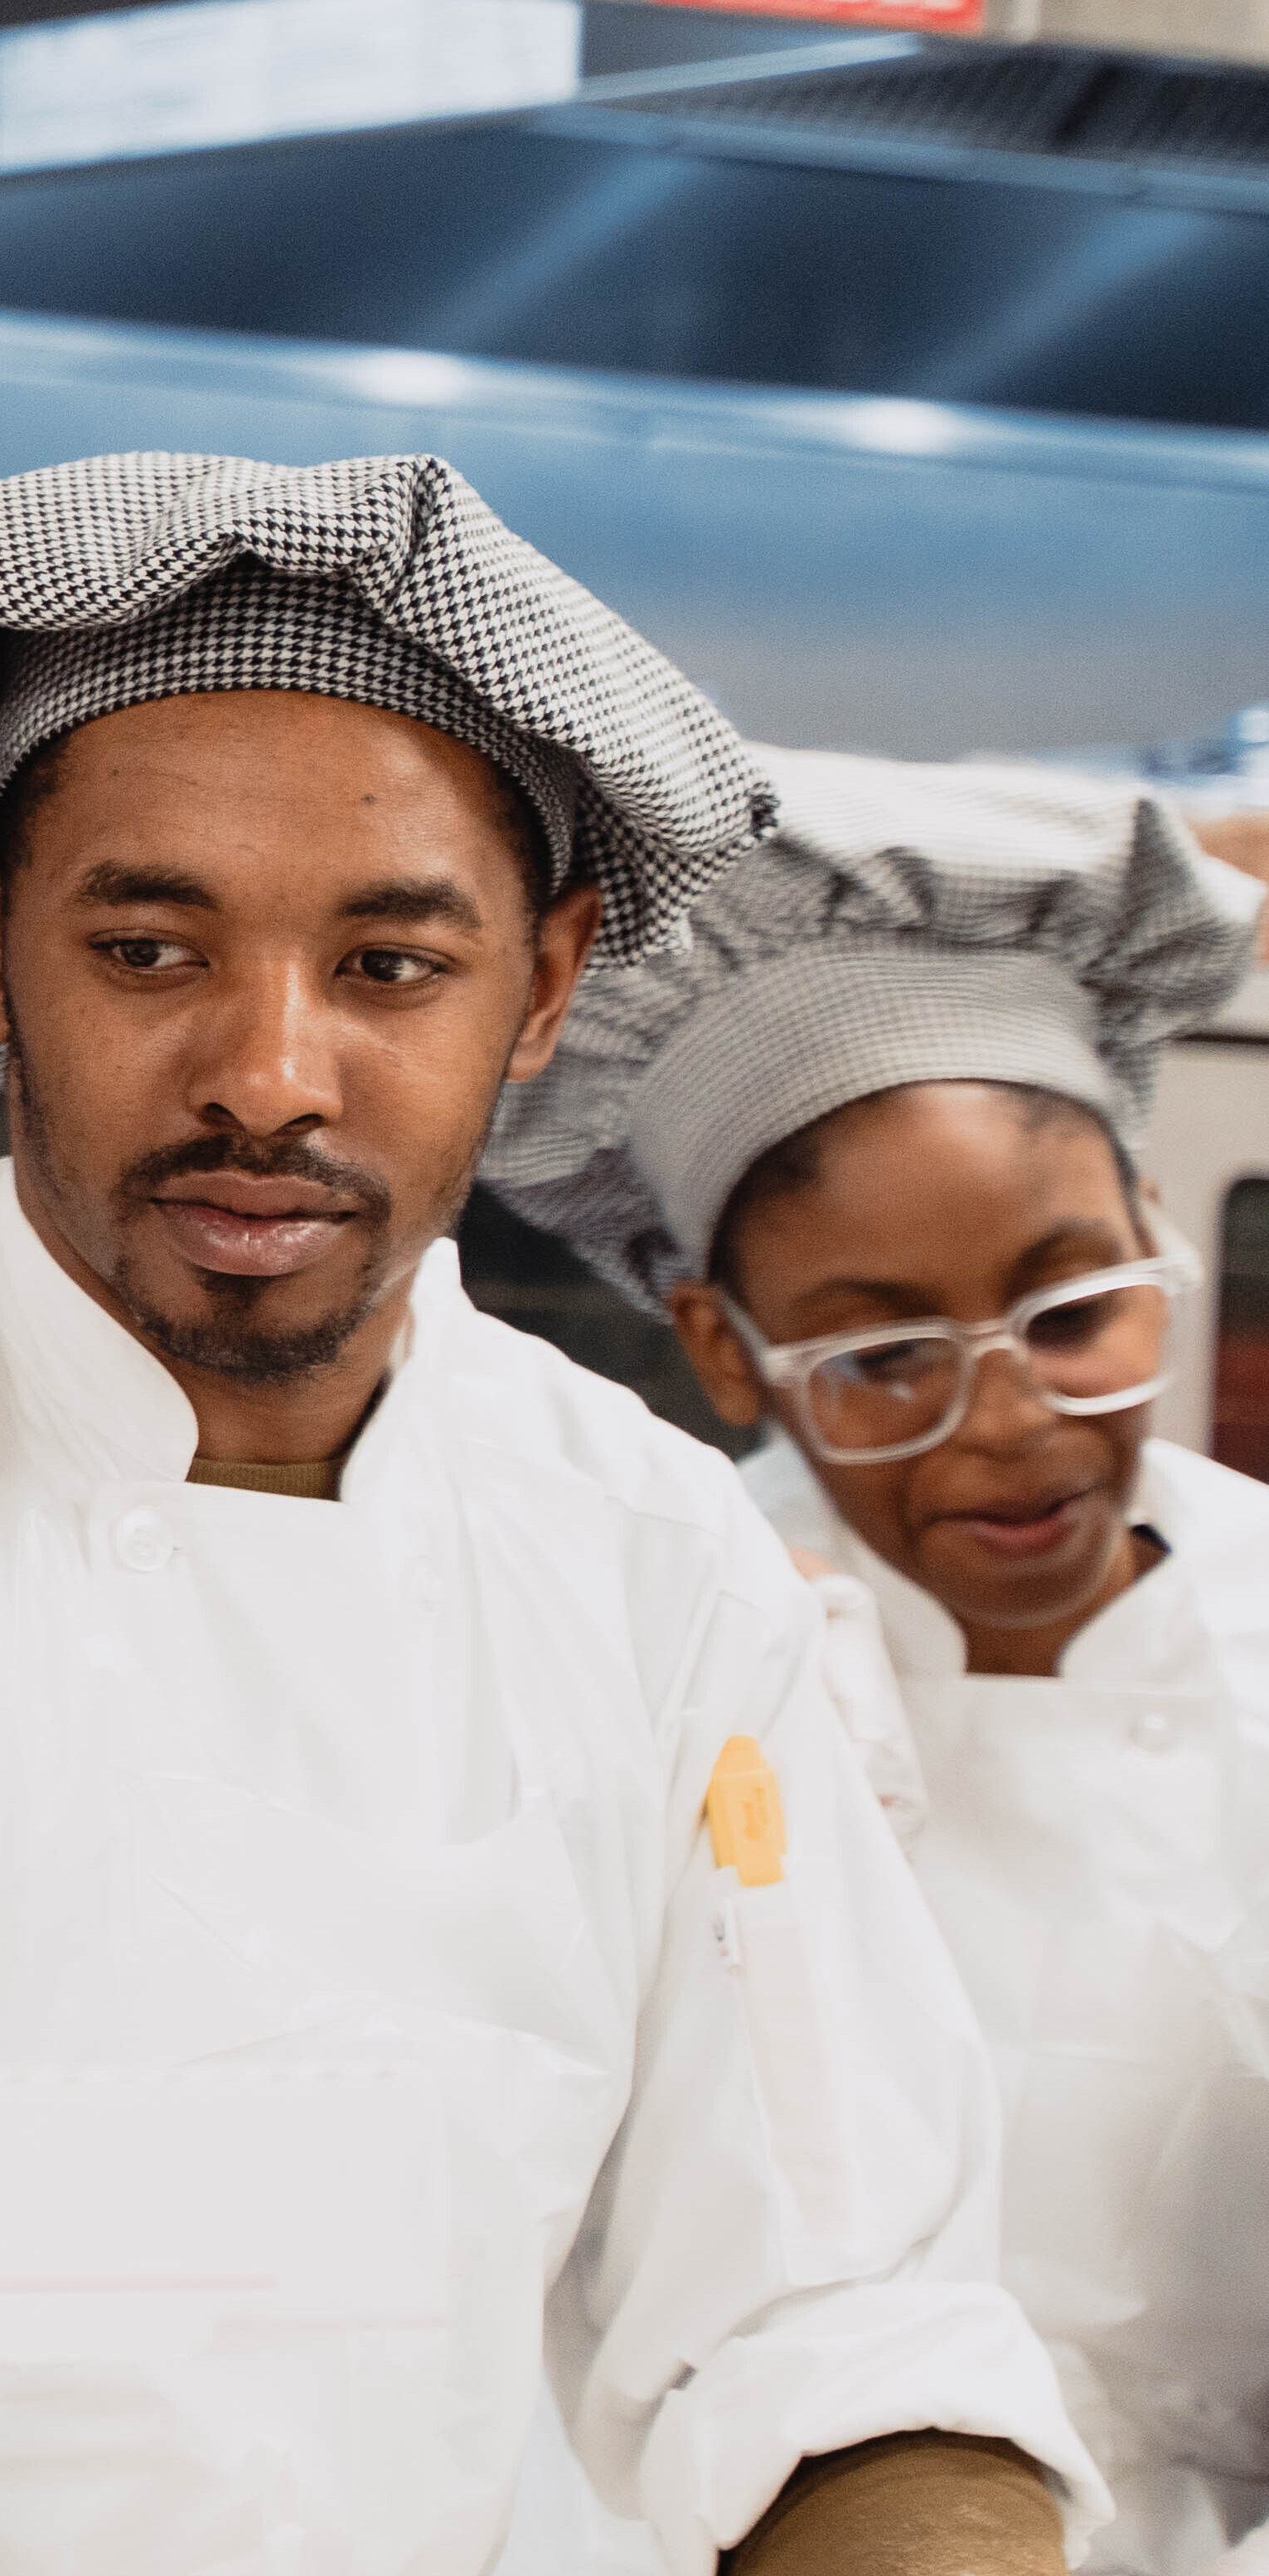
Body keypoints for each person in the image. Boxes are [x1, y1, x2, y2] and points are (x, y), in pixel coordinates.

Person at [0, 452, 1097, 2576]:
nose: (267, 1073)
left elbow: (848, 2327)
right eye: (153, 944)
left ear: (542, 990)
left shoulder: (649, 1560)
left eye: (387, 969)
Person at [486, 750, 1269, 2574]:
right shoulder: (634, 1639)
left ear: (1155, 1229)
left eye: (1076, 1316)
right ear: (725, 1346)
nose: (1006, 1424)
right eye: (883, 1361)